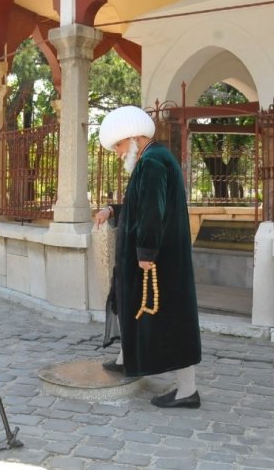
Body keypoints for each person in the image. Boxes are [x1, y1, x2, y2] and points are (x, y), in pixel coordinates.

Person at [94, 105, 202, 409]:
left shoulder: (152, 162)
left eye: (117, 145)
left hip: (158, 261)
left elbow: (153, 212)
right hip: (158, 258)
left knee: (171, 322)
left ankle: (187, 392)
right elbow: (140, 204)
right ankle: (127, 358)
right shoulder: (153, 159)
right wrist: (112, 210)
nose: (116, 152)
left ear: (132, 138)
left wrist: (145, 253)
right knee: (135, 308)